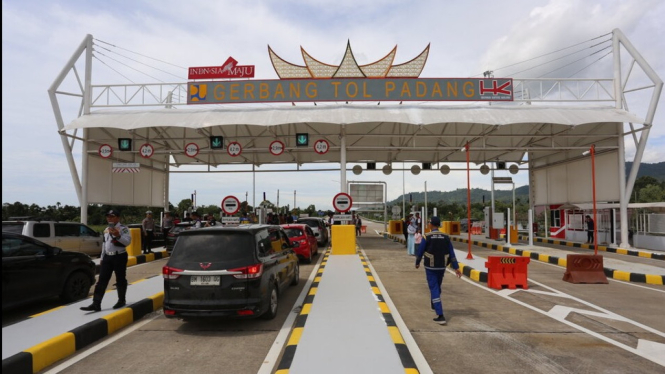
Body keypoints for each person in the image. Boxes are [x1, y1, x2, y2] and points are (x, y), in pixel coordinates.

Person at [81, 209, 131, 312]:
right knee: (101, 281)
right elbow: (105, 245)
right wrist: (102, 258)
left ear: (118, 218)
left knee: (120, 279)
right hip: (108, 257)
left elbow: (127, 242)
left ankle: (121, 300)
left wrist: (118, 235)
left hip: (119, 256)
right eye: (108, 216)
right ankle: (96, 304)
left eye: (112, 216)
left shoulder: (123, 229)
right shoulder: (107, 229)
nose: (109, 218)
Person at [415, 216, 462, 325]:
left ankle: (440, 315)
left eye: (429, 223)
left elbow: (420, 251)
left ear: (431, 224)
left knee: (434, 288)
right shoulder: (445, 236)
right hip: (442, 266)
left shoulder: (427, 236)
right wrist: (456, 267)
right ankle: (434, 303)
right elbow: (452, 252)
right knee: (437, 286)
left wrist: (417, 262)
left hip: (430, 266)